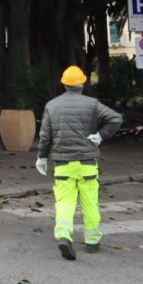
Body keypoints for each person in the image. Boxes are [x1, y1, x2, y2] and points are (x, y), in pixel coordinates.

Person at [36, 65, 122, 261]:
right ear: (82, 84)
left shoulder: (51, 105)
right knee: (90, 202)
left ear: (64, 84)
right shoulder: (92, 104)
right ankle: (92, 241)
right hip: (87, 163)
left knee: (64, 202)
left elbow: (44, 136)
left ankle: (64, 236)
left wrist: (41, 156)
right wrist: (100, 135)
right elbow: (115, 118)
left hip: (63, 163)